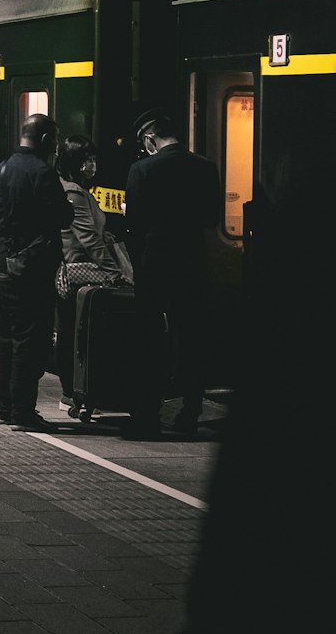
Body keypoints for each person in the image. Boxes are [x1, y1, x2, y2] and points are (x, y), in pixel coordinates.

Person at [124, 107, 220, 439]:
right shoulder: (206, 168)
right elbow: (212, 220)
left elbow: (132, 226)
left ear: (150, 139)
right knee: (192, 339)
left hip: (154, 267)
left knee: (149, 340)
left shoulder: (142, 170)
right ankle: (189, 412)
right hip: (192, 265)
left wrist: (138, 264)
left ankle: (147, 415)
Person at [0, 112, 73, 430]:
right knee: (29, 341)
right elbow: (63, 217)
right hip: (28, 272)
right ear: (47, 141)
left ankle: (6, 408)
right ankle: (23, 410)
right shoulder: (42, 173)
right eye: (57, 142)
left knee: (3, 339)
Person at [54, 135, 131, 411]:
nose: (92, 165)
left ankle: (75, 391)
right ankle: (71, 392)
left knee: (72, 332)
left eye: (94, 159)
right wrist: (115, 272)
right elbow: (87, 239)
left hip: (79, 270)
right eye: (87, 160)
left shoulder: (75, 189)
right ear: (74, 163)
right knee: (73, 334)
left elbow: (93, 233)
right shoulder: (74, 192)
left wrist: (105, 234)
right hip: (80, 273)